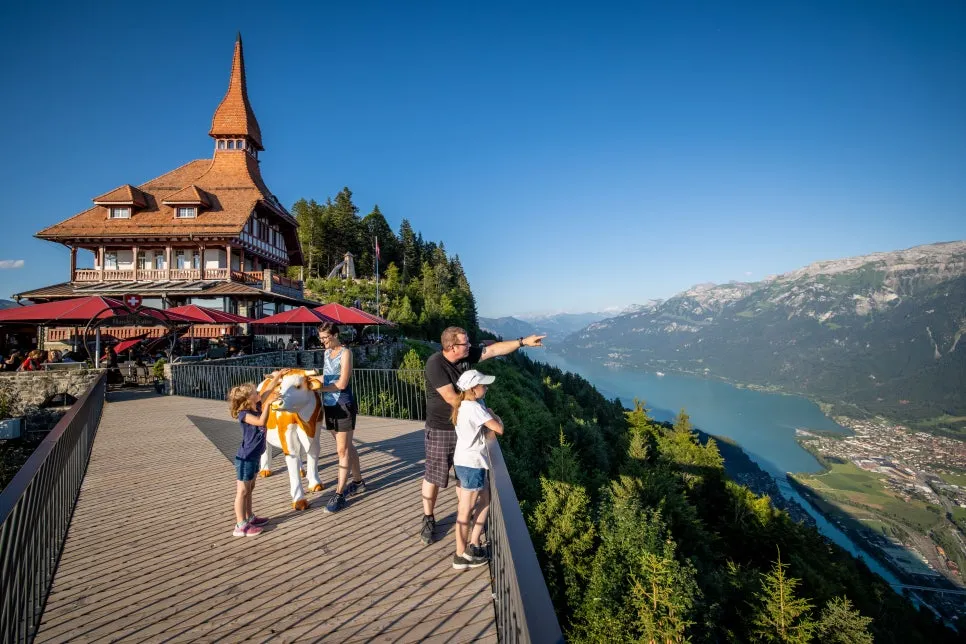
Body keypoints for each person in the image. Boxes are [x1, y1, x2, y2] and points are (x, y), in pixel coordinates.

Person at [419, 326, 545, 545]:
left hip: (465, 428)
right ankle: (428, 517)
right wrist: (481, 414)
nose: (470, 346)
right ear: (451, 347)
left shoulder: (467, 354)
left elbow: (493, 350)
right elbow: (451, 398)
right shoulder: (435, 364)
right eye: (465, 344)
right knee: (435, 475)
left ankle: (465, 516)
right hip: (442, 428)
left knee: (463, 475)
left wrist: (523, 342)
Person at [450, 369, 504, 569]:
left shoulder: (463, 405)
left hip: (464, 461)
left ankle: (473, 543)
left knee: (485, 498)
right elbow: (499, 428)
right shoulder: (475, 408)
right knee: (465, 511)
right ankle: (461, 555)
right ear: (473, 388)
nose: (486, 388)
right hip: (472, 464)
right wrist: (493, 414)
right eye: (483, 385)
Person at [227, 370, 286, 537]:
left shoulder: (257, 404)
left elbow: (269, 389)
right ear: (248, 399)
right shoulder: (244, 414)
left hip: (254, 456)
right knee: (242, 491)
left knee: (250, 488)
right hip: (245, 458)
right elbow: (261, 421)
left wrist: (278, 375)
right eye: (255, 392)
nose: (259, 393)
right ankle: (240, 525)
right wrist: (268, 405)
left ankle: (249, 517)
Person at [314, 322, 365, 513]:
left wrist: (320, 388)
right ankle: (359, 481)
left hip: (343, 404)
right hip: (329, 405)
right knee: (347, 446)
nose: (323, 341)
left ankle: (339, 493)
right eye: (321, 338)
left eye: (326, 338)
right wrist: (307, 380)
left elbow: (342, 383)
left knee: (342, 451)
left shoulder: (346, 353)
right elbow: (326, 377)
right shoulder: (327, 353)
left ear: (335, 335)